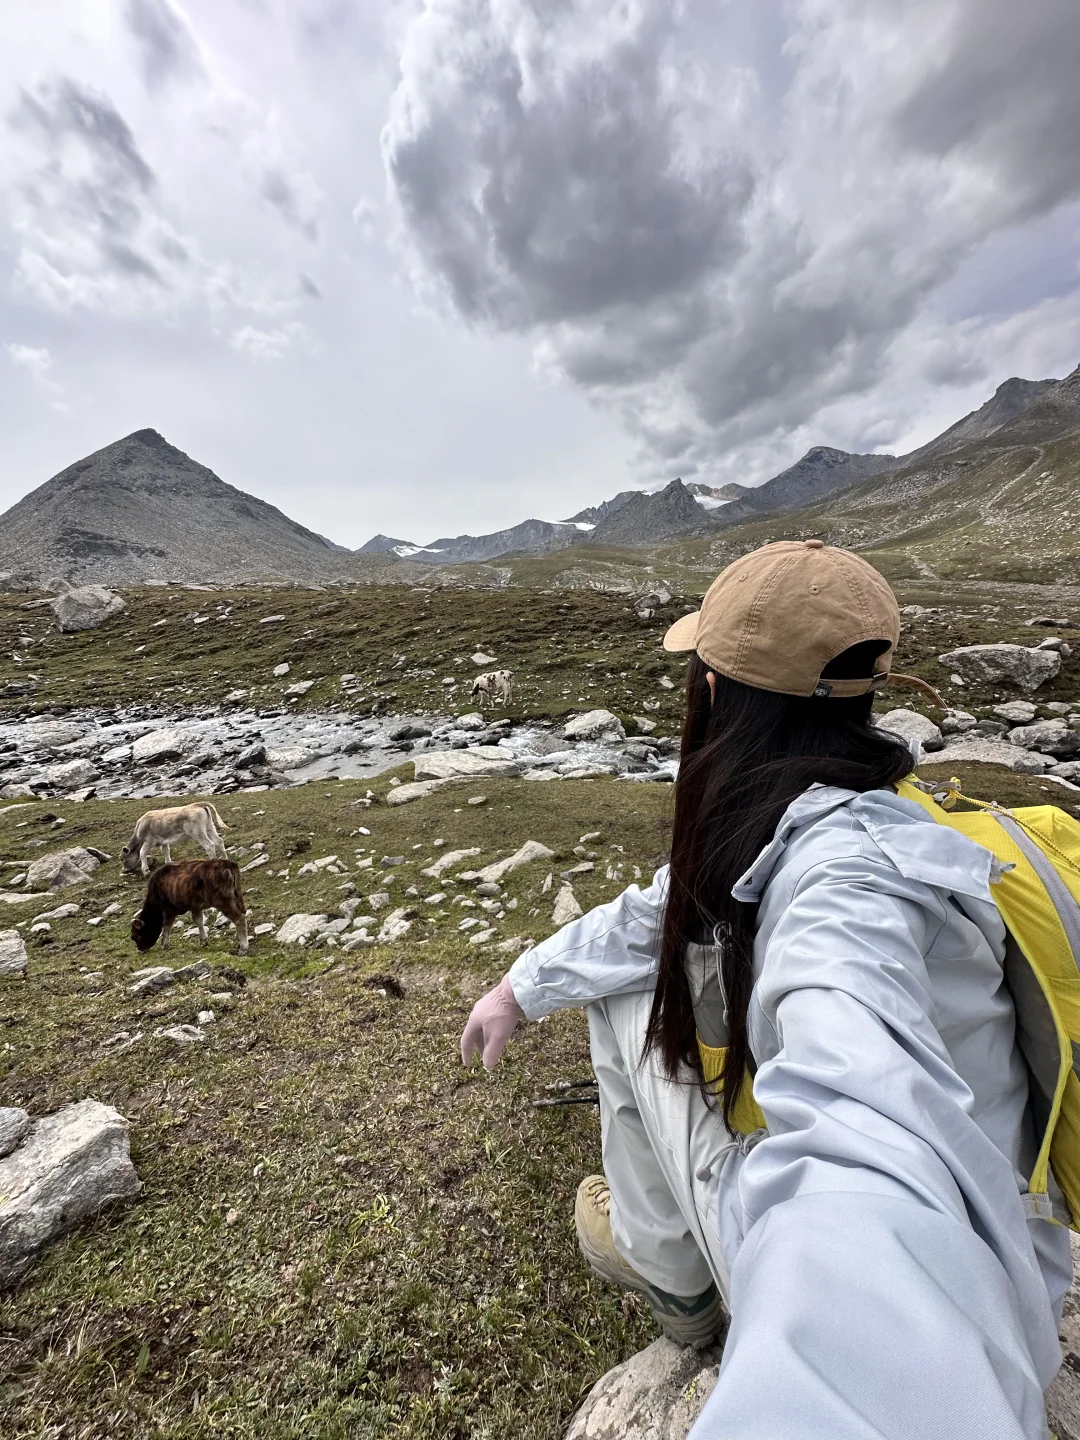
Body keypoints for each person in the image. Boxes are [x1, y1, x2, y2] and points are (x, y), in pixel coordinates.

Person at [460, 539, 1072, 1439]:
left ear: (712, 695)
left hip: (963, 1298)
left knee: (626, 999)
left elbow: (866, 1119)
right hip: (1004, 1238)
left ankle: (668, 1278)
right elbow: (661, 907)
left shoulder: (842, 891)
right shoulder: (861, 807)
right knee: (633, 962)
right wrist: (520, 985)